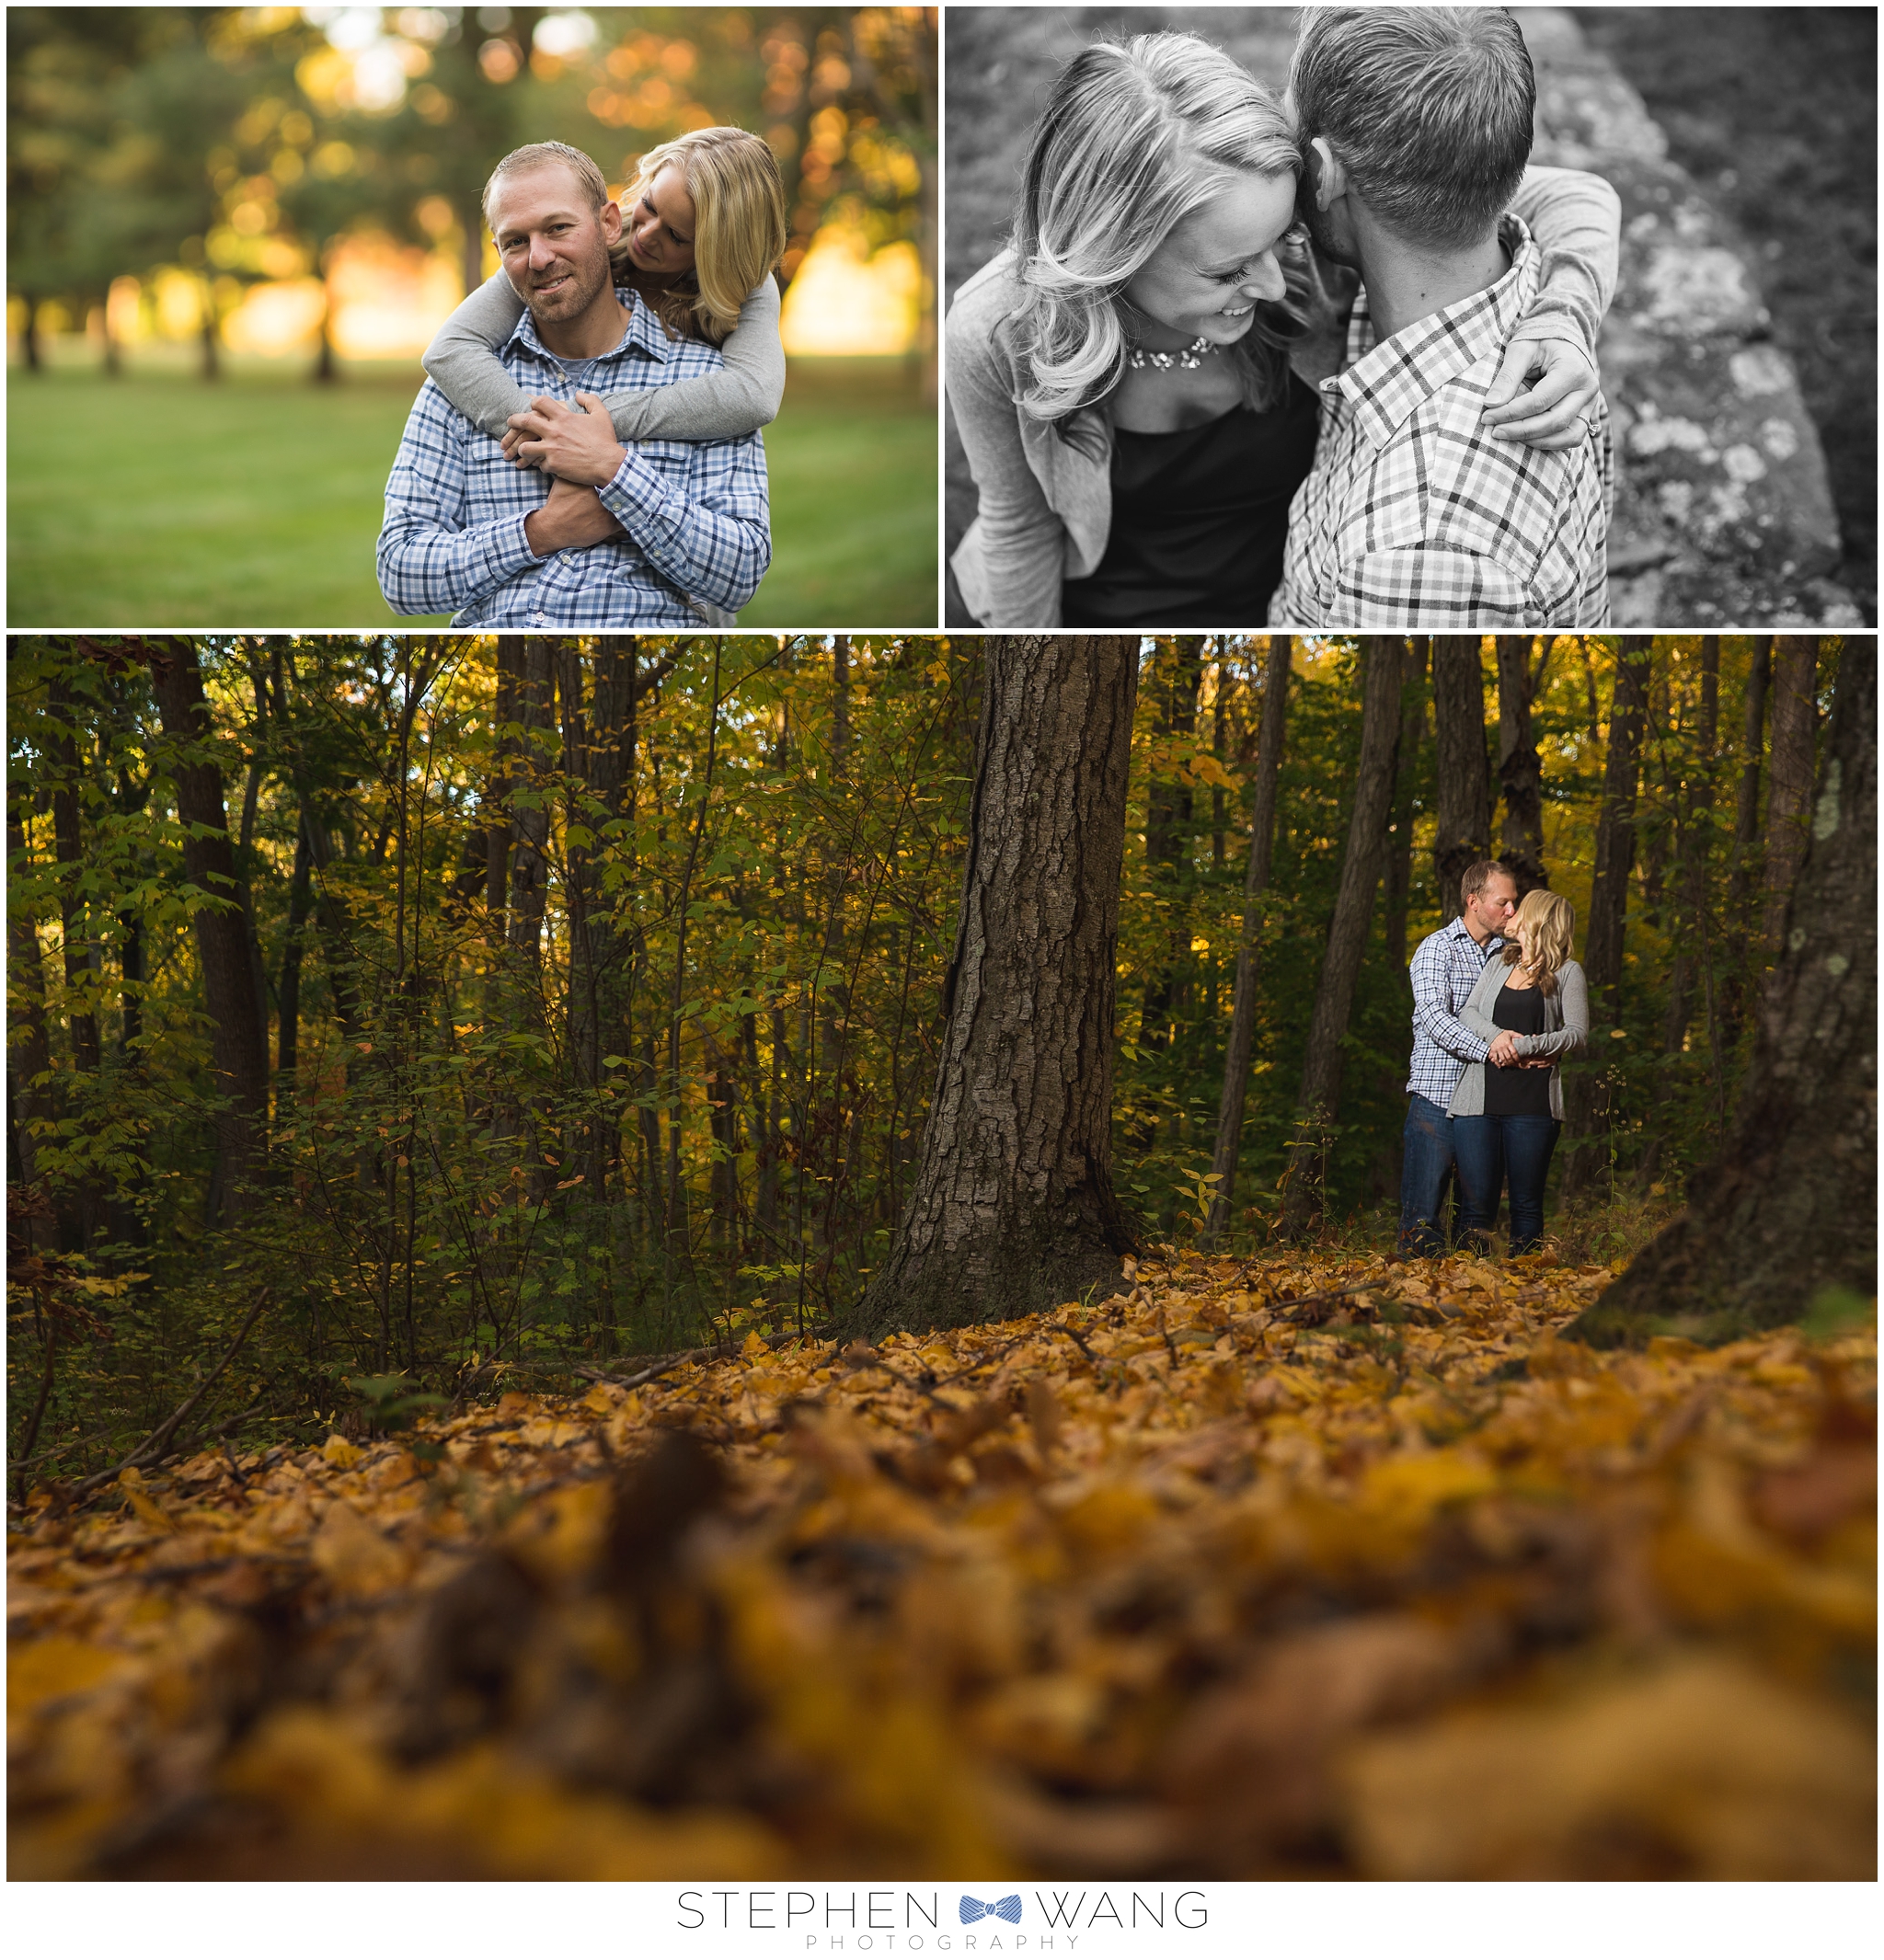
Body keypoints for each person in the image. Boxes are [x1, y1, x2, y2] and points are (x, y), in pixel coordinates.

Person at [945, 29, 1619, 629]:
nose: (1273, 284)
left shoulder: (1304, 209)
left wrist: (1564, 312)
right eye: (1228, 272)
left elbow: (1574, 195)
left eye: (1285, 236)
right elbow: (1018, 527)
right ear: (1112, 256)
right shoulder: (996, 332)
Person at [1272, 7, 1614, 628]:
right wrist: (1566, 310)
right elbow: (1584, 192)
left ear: (1321, 172)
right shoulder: (1519, 283)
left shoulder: (1420, 550)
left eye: (1285, 109)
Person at [377, 137, 778, 628]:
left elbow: (754, 398)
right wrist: (539, 531)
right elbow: (399, 573)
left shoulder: (711, 376)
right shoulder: (464, 381)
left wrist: (612, 466)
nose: (645, 235)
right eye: (646, 209)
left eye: (676, 235)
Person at [1449, 889, 1588, 1254]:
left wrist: (1526, 1046)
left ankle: (1525, 1283)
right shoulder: (1500, 962)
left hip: (1534, 1103)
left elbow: (1576, 1033)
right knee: (1476, 1206)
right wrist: (1497, 1039)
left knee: (1526, 1203)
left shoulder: (1568, 972)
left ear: (1538, 920)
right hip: (1479, 1099)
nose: (1511, 913)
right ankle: (1467, 1282)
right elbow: (1468, 1013)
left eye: (1520, 909)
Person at [1401, 860, 1517, 1255]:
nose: (1511, 911)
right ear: (1474, 901)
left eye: (1513, 903)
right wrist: (1489, 1049)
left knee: (1478, 1220)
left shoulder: (1511, 956)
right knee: (1421, 1217)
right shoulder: (1437, 948)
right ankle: (1408, 1302)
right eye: (1503, 902)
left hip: (1488, 1100)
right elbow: (1435, 1018)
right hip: (1436, 1098)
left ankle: (1475, 1303)